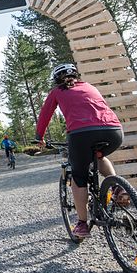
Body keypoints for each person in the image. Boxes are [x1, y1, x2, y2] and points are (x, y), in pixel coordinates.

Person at [35, 63, 127, 238]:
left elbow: (45, 114)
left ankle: (82, 224)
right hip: (114, 131)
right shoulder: (90, 87)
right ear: (76, 76)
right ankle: (116, 187)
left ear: (56, 80)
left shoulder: (57, 92)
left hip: (81, 134)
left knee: (79, 177)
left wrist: (38, 137)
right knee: (99, 155)